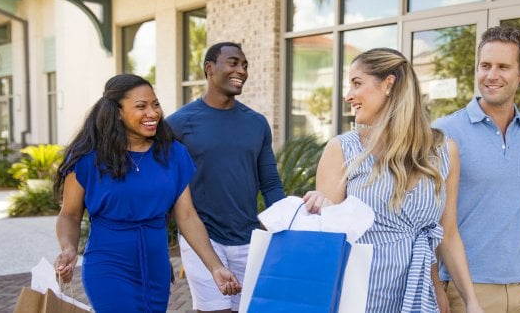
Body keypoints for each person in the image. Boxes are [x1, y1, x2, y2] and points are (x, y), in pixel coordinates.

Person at [303, 48, 484, 313]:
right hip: (359, 299)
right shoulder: (343, 149)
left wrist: (471, 301)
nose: (348, 96)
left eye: (356, 83)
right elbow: (328, 239)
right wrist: (324, 209)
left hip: (421, 299)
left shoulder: (444, 151)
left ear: (388, 84)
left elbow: (448, 234)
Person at [53, 74, 241, 312]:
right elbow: (69, 214)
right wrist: (68, 247)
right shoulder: (88, 158)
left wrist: (215, 267)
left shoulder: (173, 153)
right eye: (141, 106)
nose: (153, 113)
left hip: (156, 266)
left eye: (155, 104)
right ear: (117, 112)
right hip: (109, 265)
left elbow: (187, 217)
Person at [433, 26, 520, 313]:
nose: (491, 75)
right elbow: (428, 219)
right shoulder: (443, 133)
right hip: (466, 290)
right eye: (485, 66)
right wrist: (436, 286)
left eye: (503, 67)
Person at [167, 42, 285, 313]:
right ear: (210, 68)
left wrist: (287, 226)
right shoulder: (179, 123)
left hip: (248, 237)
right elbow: (165, 189)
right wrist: (161, 248)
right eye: (233, 63)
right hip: (203, 238)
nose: (241, 70)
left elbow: (269, 183)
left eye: (245, 65)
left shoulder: (256, 123)